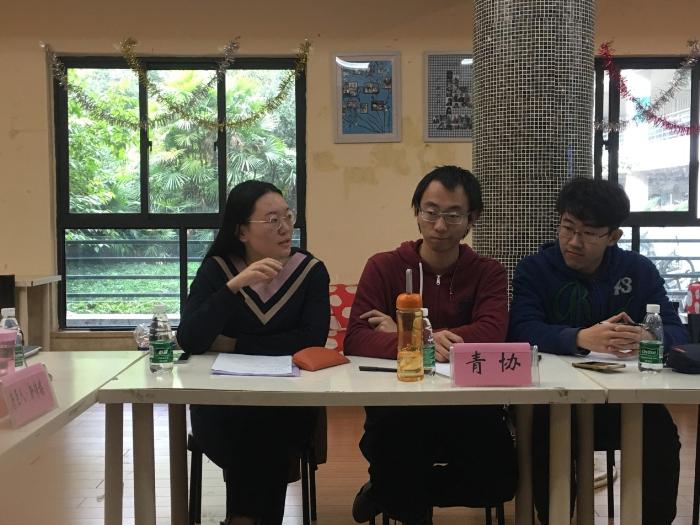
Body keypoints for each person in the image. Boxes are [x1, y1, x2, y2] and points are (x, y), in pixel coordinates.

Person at [344, 165, 517, 525]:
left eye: (453, 215)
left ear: (471, 219)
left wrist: (404, 332)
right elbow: (356, 338)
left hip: (469, 406)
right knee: (397, 451)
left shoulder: (488, 272)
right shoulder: (384, 266)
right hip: (397, 405)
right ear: (417, 212)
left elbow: (491, 333)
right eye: (431, 212)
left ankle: (384, 491)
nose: (439, 225)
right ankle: (394, 490)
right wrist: (425, 340)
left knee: (499, 480)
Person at [508, 177, 686, 525]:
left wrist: (646, 336)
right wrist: (580, 338)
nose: (574, 242)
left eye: (589, 233)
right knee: (543, 439)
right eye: (567, 227)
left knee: (660, 436)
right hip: (554, 401)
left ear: (613, 236)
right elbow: (520, 330)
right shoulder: (535, 269)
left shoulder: (638, 270)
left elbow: (676, 331)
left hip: (625, 400)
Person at [177, 180, 330, 525]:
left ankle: (242, 519)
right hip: (221, 407)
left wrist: (234, 343)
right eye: (272, 220)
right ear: (242, 231)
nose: (285, 228)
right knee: (248, 423)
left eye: (288, 216)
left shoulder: (309, 272)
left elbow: (310, 341)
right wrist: (234, 287)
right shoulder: (218, 270)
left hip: (288, 404)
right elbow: (190, 338)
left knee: (265, 422)